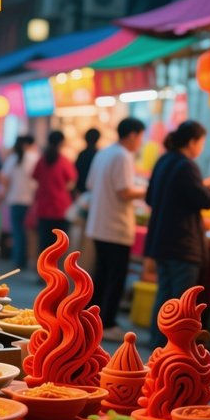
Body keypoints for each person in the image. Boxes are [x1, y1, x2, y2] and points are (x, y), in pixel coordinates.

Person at [145, 121, 210, 349]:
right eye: (201, 142)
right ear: (192, 142)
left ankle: (158, 345)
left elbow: (150, 197)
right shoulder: (186, 165)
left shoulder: (164, 160)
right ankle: (173, 349)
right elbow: (205, 200)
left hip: (162, 241)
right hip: (182, 244)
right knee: (181, 301)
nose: (201, 147)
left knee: (165, 297)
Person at [85, 117, 146, 341]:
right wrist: (146, 190)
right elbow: (124, 191)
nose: (140, 141)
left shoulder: (104, 152)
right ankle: (107, 323)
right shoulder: (123, 156)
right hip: (115, 227)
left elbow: (90, 184)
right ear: (132, 135)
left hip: (99, 224)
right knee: (114, 277)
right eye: (140, 136)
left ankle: (92, 319)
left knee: (101, 275)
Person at [32, 130, 77, 255]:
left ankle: (43, 268)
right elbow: (71, 183)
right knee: (59, 246)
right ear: (62, 143)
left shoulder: (41, 160)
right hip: (61, 208)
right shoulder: (64, 161)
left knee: (44, 245)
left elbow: (35, 177)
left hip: (43, 207)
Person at [0, 135, 39, 270]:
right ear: (30, 144)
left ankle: (19, 260)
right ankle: (30, 259)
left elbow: (4, 178)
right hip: (31, 201)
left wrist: (7, 191)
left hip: (15, 200)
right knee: (30, 233)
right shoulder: (35, 157)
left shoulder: (13, 158)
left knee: (17, 232)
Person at [74, 128, 101, 195]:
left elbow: (76, 173)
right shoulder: (99, 155)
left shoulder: (82, 154)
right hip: (95, 190)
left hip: (82, 191)